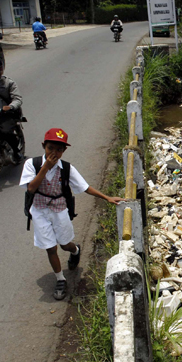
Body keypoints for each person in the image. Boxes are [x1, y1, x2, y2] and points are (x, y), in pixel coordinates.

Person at [19, 128, 124, 300]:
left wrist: (107, 197)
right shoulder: (33, 164)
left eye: (59, 149)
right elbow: (31, 188)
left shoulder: (66, 168)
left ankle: (75, 250)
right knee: (50, 247)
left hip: (59, 209)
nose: (54, 153)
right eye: (51, 148)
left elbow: (85, 187)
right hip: (39, 210)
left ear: (64, 151)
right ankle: (60, 279)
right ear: (44, 146)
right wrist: (45, 168)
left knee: (64, 243)